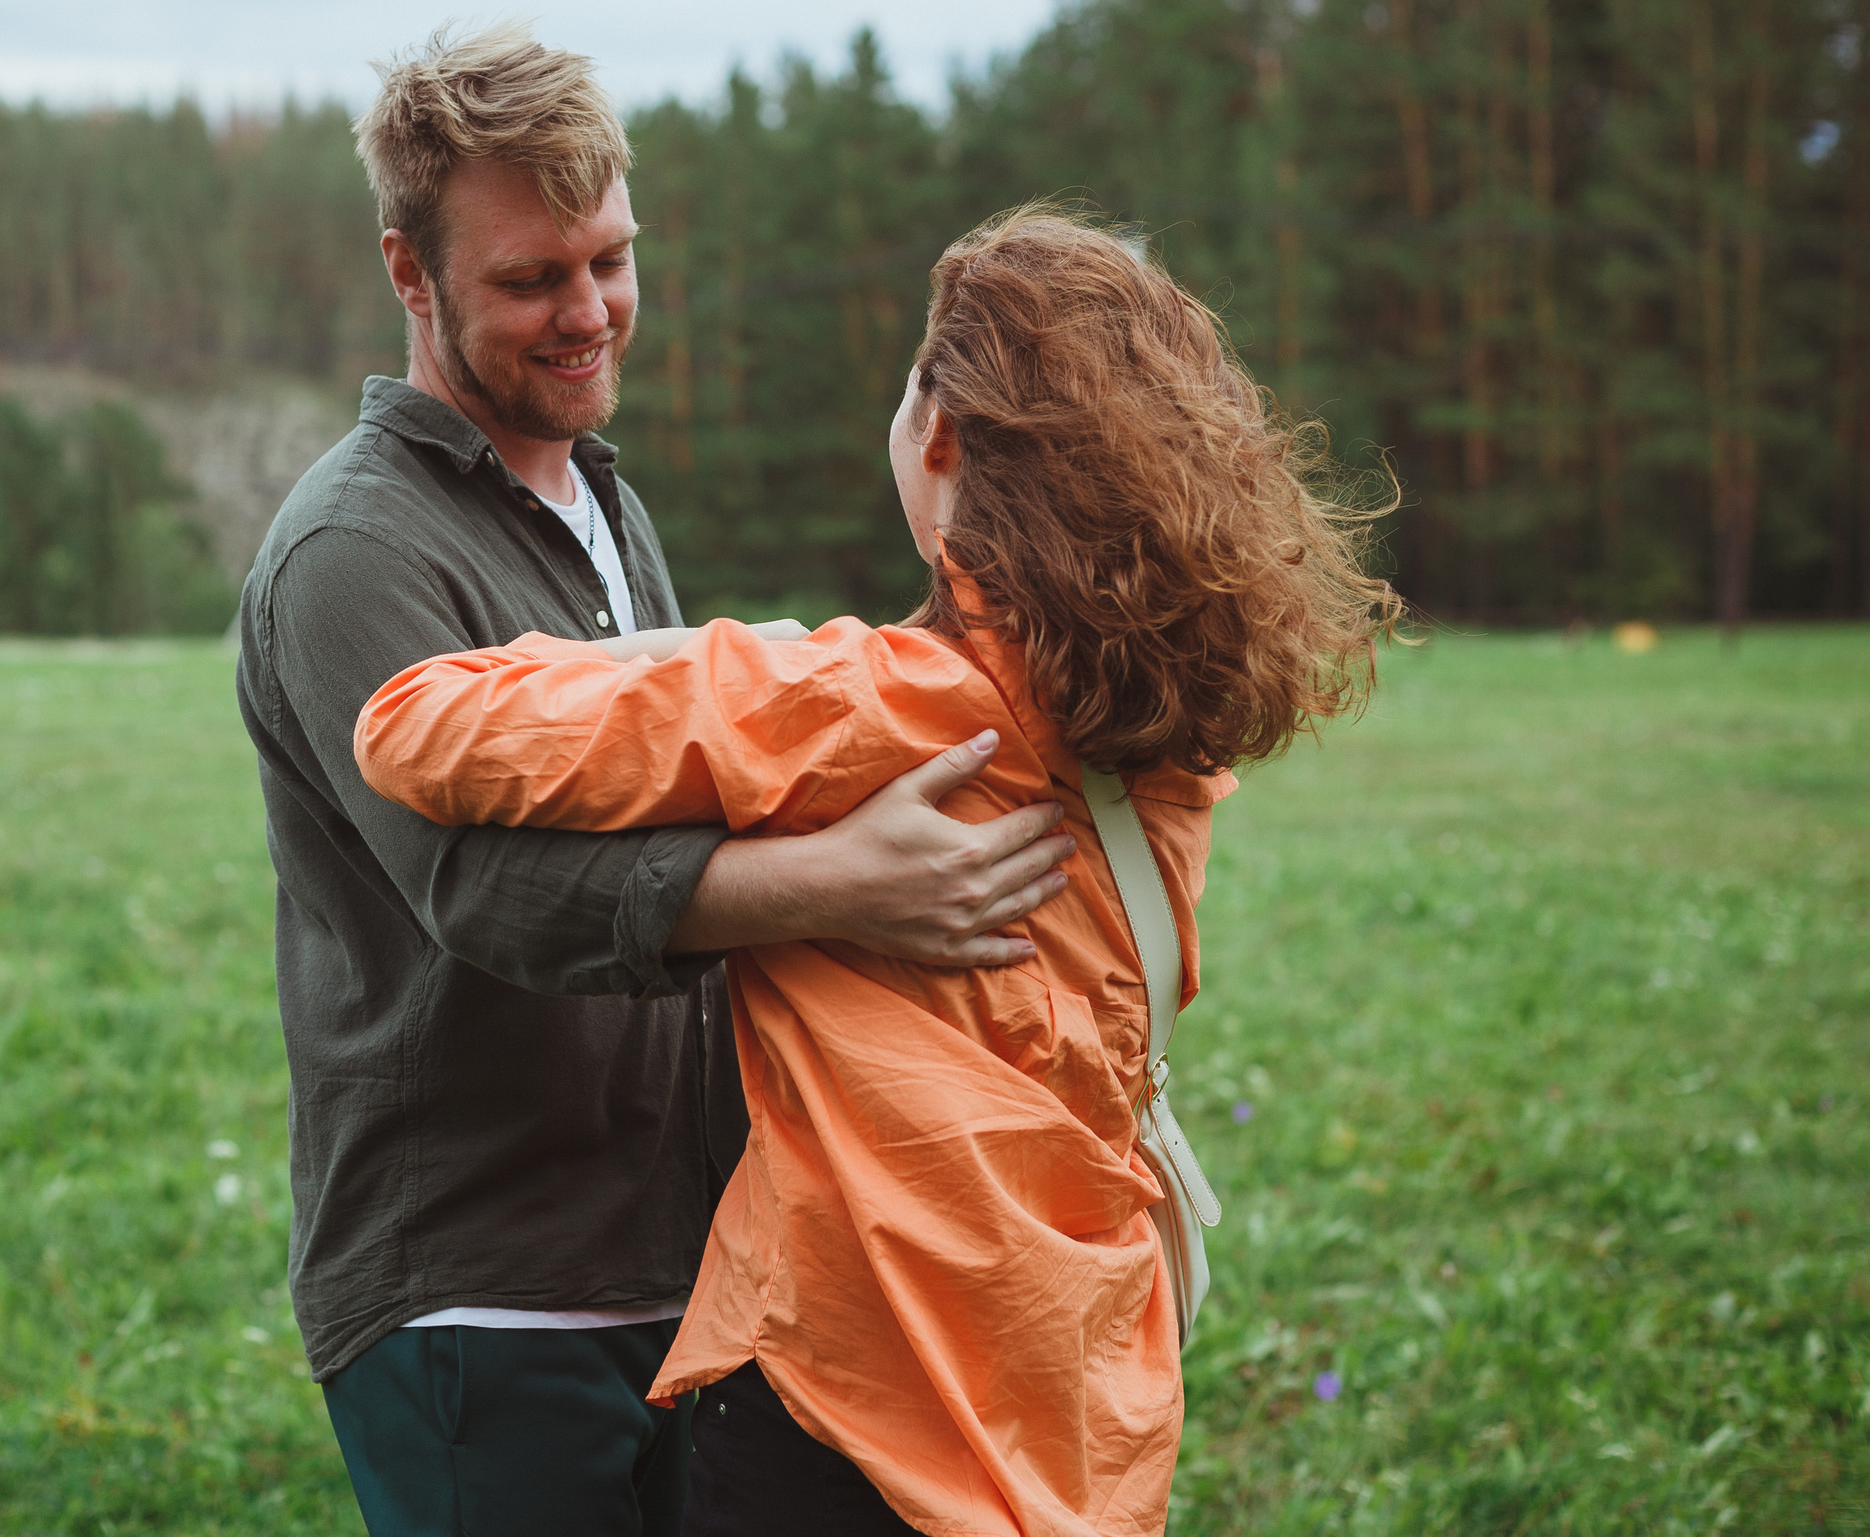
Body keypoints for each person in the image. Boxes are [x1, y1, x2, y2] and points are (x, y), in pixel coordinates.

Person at [356, 208, 1402, 1535]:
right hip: (1074, 1408)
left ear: (945, 440)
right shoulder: (1174, 749)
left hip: (845, 1419)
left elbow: (413, 725)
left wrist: (712, 652)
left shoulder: (860, 705)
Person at [233, 28, 1078, 1537]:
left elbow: (693, 771)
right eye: (530, 279)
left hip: (687, 1265)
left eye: (610, 259)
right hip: (482, 1294)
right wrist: (843, 889)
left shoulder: (599, 503)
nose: (589, 311)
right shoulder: (353, 550)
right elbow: (478, 895)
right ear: (409, 273)